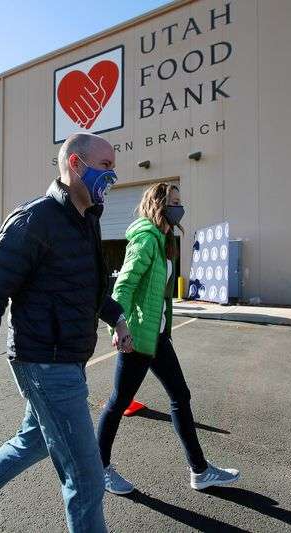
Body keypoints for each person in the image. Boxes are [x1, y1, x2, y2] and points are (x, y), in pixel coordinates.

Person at [0, 133, 134, 533]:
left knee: (33, 441)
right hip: (45, 363)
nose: (113, 174)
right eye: (106, 165)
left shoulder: (86, 221)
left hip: (68, 358)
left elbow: (88, 287)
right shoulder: (34, 220)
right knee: (87, 479)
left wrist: (115, 317)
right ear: (75, 165)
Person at [96, 183, 241, 495]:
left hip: (157, 336)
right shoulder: (146, 239)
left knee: (180, 396)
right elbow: (123, 285)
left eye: (180, 202)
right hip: (136, 337)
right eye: (174, 202)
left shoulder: (163, 239)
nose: (179, 207)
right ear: (159, 203)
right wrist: (117, 329)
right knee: (118, 402)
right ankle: (99, 468)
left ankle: (200, 471)